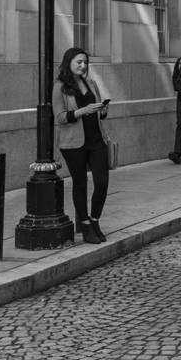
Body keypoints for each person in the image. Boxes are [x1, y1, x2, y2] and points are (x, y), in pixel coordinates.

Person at [54, 48, 112, 244]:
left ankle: (95, 220)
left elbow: (98, 114)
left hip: (97, 140)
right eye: (79, 62)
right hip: (73, 143)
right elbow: (60, 117)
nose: (83, 65)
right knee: (80, 183)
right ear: (68, 62)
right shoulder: (60, 87)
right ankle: (85, 225)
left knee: (102, 182)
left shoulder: (92, 84)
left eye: (85, 62)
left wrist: (102, 110)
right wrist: (83, 111)